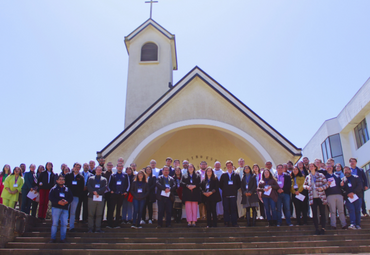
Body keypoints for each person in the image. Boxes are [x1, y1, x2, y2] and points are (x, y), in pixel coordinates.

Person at [303, 163, 329, 235]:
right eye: (310, 166)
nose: (311, 167)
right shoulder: (308, 177)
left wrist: (321, 188)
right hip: (312, 197)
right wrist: (307, 187)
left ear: (315, 167)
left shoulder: (320, 175)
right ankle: (316, 228)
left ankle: (323, 228)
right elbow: (304, 185)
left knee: (322, 213)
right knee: (314, 213)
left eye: (312, 166)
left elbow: (326, 184)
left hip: (320, 196)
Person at [48, 174, 73, 243]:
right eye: (60, 180)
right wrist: (58, 202)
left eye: (63, 180)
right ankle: (53, 238)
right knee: (55, 223)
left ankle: (63, 238)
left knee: (64, 224)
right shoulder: (53, 189)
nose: (61, 181)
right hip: (56, 208)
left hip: (65, 209)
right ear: (57, 181)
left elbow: (71, 197)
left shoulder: (67, 189)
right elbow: (50, 197)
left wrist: (67, 201)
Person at [325, 163, 347, 229]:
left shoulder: (337, 176)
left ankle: (344, 224)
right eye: (328, 167)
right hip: (330, 195)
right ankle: (333, 225)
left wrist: (342, 184)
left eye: (330, 166)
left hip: (339, 194)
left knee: (341, 210)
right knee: (332, 211)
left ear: (332, 168)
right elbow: (324, 187)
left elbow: (341, 185)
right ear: (326, 168)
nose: (329, 168)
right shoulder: (324, 176)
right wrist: (327, 184)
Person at [107, 163, 130, 229]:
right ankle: (109, 224)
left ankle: (117, 224)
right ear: (116, 168)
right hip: (114, 194)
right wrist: (110, 190)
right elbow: (109, 184)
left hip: (121, 194)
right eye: (118, 167)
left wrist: (125, 192)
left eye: (121, 167)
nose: (120, 168)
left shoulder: (125, 175)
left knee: (118, 209)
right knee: (111, 209)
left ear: (123, 168)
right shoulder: (113, 175)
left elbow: (128, 184)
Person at [219, 160, 241, 227]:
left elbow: (239, 184)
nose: (229, 167)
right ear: (226, 167)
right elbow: (220, 185)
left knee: (233, 209)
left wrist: (233, 189)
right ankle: (226, 222)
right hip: (225, 195)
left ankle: (234, 222)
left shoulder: (236, 175)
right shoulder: (223, 175)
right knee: (226, 209)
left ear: (232, 166)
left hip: (233, 195)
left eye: (230, 165)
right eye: (227, 166)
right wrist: (226, 189)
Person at [65, 163, 84, 232]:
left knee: (73, 212)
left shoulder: (81, 177)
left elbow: (82, 188)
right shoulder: (68, 175)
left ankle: (71, 227)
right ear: (73, 168)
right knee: (65, 211)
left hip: (75, 197)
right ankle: (64, 226)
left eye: (78, 167)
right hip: (67, 196)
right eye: (76, 167)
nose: (77, 168)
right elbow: (64, 185)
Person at [87, 166, 107, 233]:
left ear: (101, 171)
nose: (99, 171)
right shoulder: (91, 178)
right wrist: (94, 192)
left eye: (100, 170)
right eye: (97, 170)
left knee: (99, 214)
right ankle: (90, 228)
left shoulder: (104, 179)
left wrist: (98, 192)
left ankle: (98, 228)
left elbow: (105, 187)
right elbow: (89, 186)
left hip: (100, 198)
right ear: (95, 171)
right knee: (91, 214)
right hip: (92, 197)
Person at [181, 163, 202, 227]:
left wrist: (194, 186)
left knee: (194, 209)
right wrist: (187, 186)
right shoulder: (184, 175)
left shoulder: (197, 175)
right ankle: (189, 221)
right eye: (189, 167)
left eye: (191, 167)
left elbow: (200, 183)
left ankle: (194, 221)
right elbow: (181, 183)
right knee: (188, 208)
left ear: (194, 168)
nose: (190, 168)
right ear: (187, 169)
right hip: (187, 194)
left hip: (195, 194)